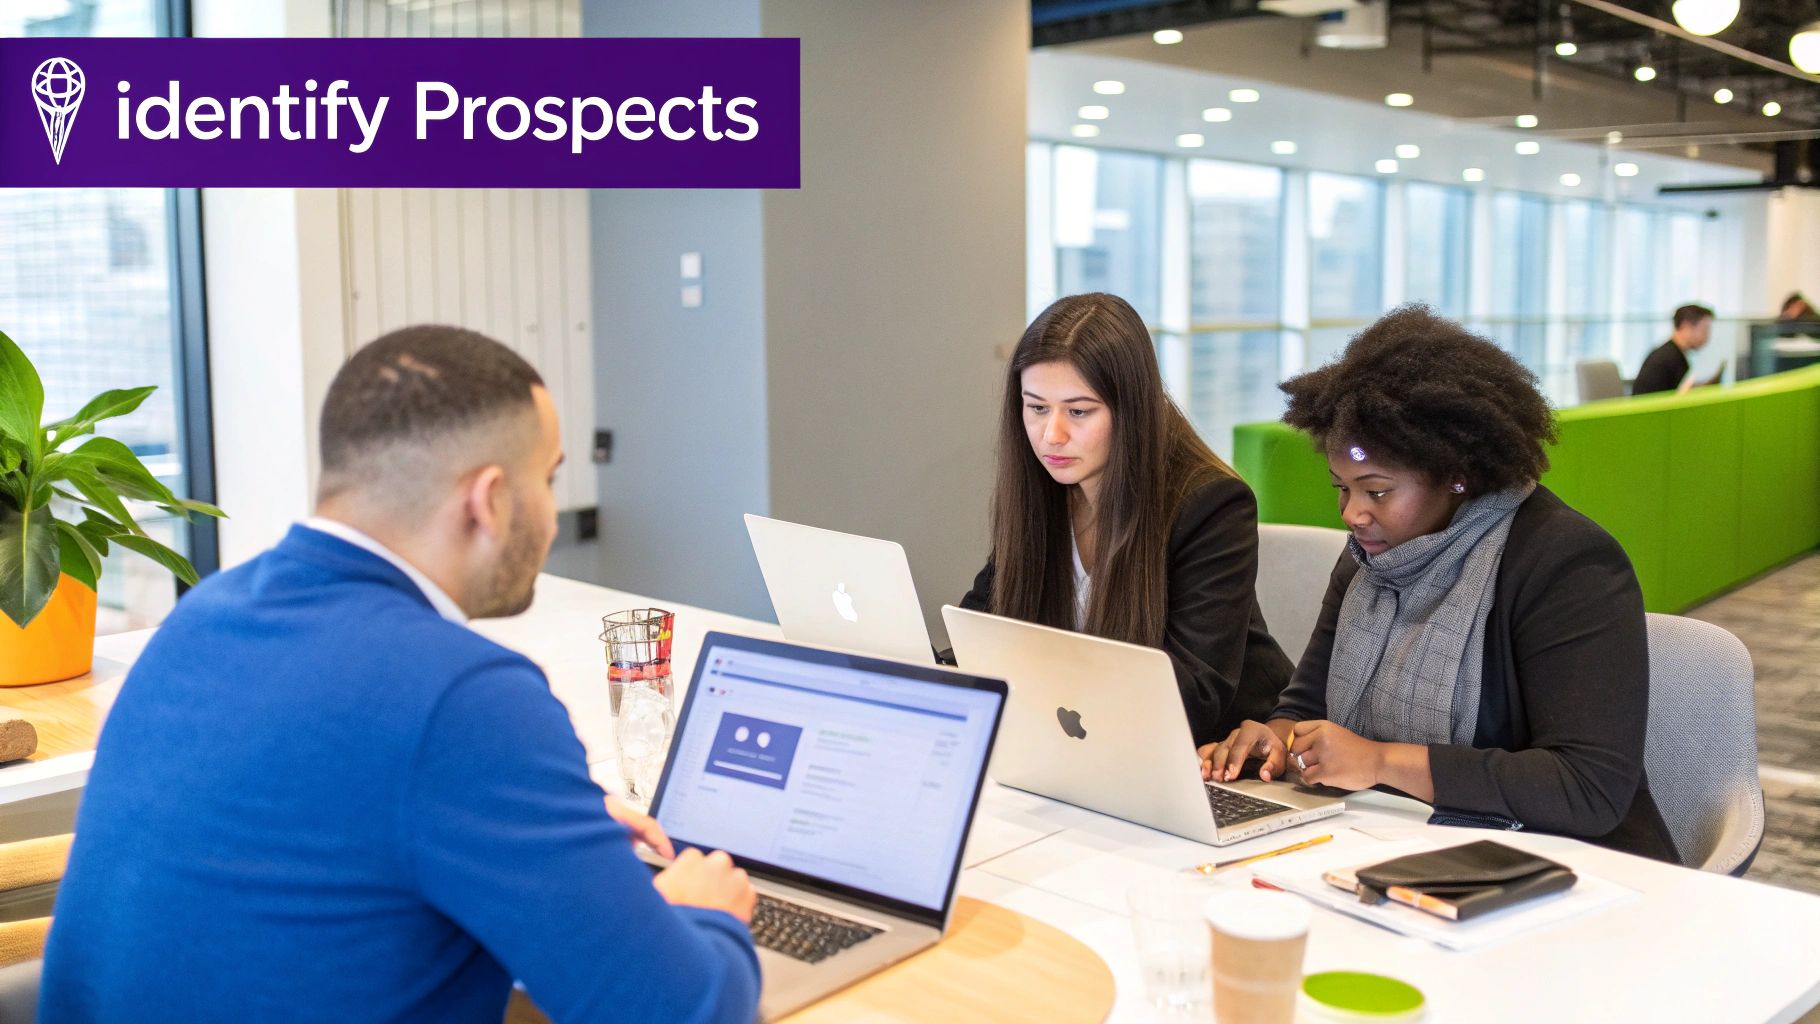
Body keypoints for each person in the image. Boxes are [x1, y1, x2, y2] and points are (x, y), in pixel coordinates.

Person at [42, 327, 761, 1022]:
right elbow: (680, 1010)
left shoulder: (205, 615)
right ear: (489, 499)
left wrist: (543, 821)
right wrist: (707, 915)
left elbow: (326, 816)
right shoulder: (465, 697)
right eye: (547, 479)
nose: (550, 515)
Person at [1201, 305, 1680, 864]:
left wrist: (1381, 762)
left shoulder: (1567, 563)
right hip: (1401, 842)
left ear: (1457, 475)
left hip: (1567, 864)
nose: (1353, 514)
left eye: (1377, 491)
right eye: (1342, 488)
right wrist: (1277, 740)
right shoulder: (1368, 560)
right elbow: (1307, 703)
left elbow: (1586, 787)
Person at [959, 293, 1292, 747]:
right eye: (1036, 408)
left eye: (1078, 411)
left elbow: (1191, 697)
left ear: (1131, 410)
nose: (1051, 435)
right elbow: (983, 627)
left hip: (1220, 761)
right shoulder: (1044, 492)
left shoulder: (1212, 504)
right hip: (1083, 747)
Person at [1632, 304, 1714, 396]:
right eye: (1704, 330)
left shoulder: (1674, 353)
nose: (1707, 337)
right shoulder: (1667, 358)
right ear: (1685, 327)